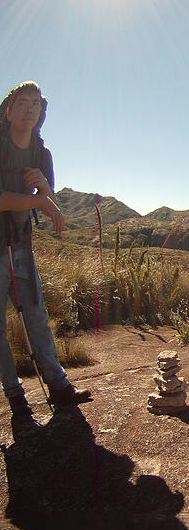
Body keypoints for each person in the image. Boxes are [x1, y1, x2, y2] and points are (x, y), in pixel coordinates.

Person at [0, 81, 91, 419]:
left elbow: (48, 201)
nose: (29, 109)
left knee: (37, 318)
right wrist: (39, 198)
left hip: (22, 247)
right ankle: (15, 398)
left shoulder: (41, 154)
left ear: (41, 113)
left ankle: (58, 386)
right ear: (8, 111)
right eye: (22, 103)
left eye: (35, 104)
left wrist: (44, 185)